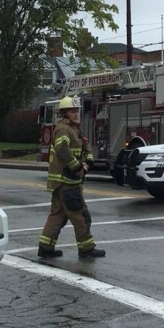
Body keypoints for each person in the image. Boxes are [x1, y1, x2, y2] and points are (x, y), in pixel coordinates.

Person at [38, 96, 106, 259]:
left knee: (58, 216)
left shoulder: (74, 129)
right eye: (73, 111)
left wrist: (87, 163)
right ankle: (86, 248)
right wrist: (76, 166)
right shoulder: (63, 129)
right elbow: (62, 148)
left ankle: (46, 248)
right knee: (80, 215)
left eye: (77, 111)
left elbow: (84, 148)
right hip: (67, 181)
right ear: (64, 113)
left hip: (64, 181)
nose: (76, 114)